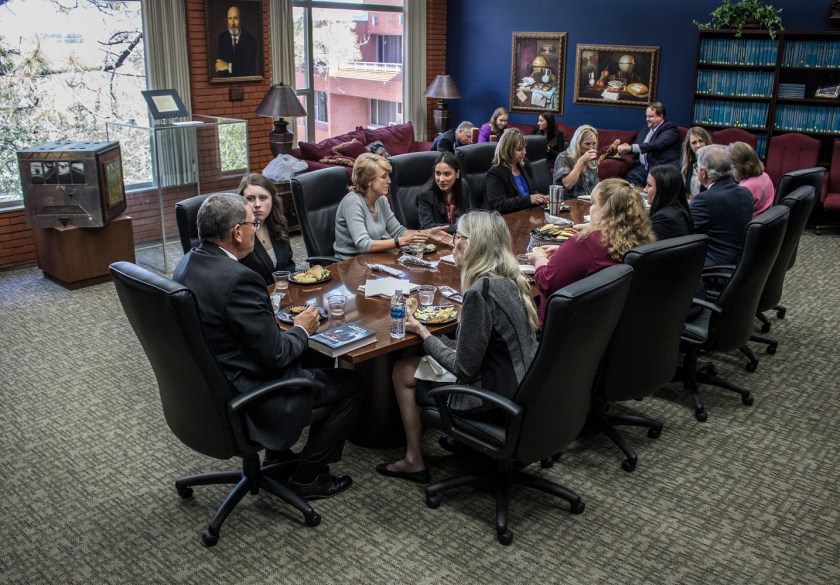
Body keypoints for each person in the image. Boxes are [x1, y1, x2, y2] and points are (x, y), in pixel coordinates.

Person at [172, 193, 362, 500]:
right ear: (236, 232)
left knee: (319, 360)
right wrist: (302, 328)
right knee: (350, 384)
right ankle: (308, 476)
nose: (254, 230)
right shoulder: (239, 279)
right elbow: (277, 355)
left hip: (208, 385)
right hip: (250, 391)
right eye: (252, 224)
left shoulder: (187, 264)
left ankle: (278, 456)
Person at [375, 210, 539, 482]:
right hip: (523, 385)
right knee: (432, 352)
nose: (452, 243)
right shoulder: (510, 278)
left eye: (459, 237)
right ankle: (463, 444)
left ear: (475, 244)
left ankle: (414, 460)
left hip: (493, 396)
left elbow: (463, 368)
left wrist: (424, 333)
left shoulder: (481, 292)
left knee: (404, 369)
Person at [530, 178, 654, 328]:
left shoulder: (586, 243)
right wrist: (566, 253)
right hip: (608, 325)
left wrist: (539, 257)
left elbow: (546, 283)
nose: (590, 209)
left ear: (606, 209)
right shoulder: (639, 237)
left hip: (565, 329)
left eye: (594, 203)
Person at [334, 153, 441, 259]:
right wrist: (401, 241)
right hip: (349, 264)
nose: (389, 181)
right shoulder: (352, 202)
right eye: (384, 177)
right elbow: (363, 245)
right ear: (368, 180)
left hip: (372, 259)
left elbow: (398, 231)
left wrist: (426, 234)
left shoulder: (381, 199)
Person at [689, 144, 754, 266]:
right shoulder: (745, 193)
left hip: (712, 267)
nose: (696, 170)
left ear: (703, 173)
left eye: (696, 167)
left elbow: (686, 230)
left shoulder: (705, 200)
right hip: (738, 262)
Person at [237, 173, 295, 285]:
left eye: (263, 198)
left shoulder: (278, 225)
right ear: (241, 202)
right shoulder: (238, 234)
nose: (257, 204)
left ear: (272, 200)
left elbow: (289, 264)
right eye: (250, 198)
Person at [484, 128, 549, 214]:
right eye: (519, 149)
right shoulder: (495, 173)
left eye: (524, 148)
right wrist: (529, 199)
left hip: (526, 215)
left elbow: (531, 192)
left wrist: (543, 197)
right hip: (507, 220)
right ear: (507, 150)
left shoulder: (524, 164)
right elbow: (500, 205)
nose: (524, 152)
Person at [617, 102, 681, 188]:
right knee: (631, 178)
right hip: (644, 167)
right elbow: (639, 145)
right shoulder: (646, 129)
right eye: (647, 116)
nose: (647, 119)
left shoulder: (670, 129)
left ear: (660, 116)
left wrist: (631, 147)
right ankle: (638, 198)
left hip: (661, 168)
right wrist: (627, 146)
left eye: (651, 116)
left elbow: (657, 144)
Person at [553, 124, 600, 224]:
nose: (591, 148)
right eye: (587, 144)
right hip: (567, 208)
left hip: (588, 207)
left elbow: (596, 187)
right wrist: (581, 162)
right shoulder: (563, 157)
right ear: (577, 143)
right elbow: (568, 184)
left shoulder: (592, 161)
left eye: (594, 144)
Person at [417, 152, 471, 235]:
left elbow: (468, 215)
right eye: (438, 173)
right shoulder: (425, 194)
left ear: (457, 174)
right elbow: (427, 226)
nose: (441, 179)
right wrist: (462, 226)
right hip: (437, 240)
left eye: (447, 174)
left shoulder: (463, 186)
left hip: (461, 237)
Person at [645, 164, 694, 240]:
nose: (645, 190)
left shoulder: (664, 219)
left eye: (649, 185)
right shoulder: (680, 211)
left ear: (662, 189)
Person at [730, 141, 775, 217]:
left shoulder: (745, 189)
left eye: (732, 166)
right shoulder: (765, 176)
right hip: (763, 220)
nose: (731, 171)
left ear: (741, 166)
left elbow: (733, 216)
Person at [215, 5, 258, 77]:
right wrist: (237, 67)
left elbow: (249, 70)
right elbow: (219, 69)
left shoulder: (251, 40)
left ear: (241, 20)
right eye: (230, 18)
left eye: (235, 18)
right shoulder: (222, 38)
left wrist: (228, 66)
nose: (232, 23)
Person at [680, 126, 713, 198]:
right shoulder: (686, 165)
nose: (698, 145)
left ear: (706, 142)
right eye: (694, 143)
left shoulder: (714, 163)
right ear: (689, 146)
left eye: (701, 141)